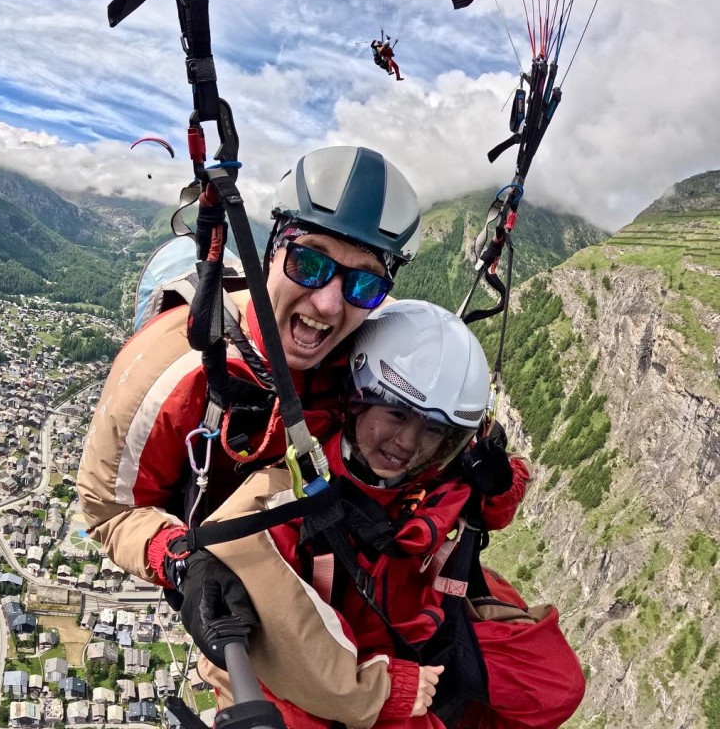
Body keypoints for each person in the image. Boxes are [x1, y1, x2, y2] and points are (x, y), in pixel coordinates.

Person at [186, 300, 586, 729]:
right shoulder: (289, 492)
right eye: (396, 415)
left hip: (419, 629)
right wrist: (385, 687)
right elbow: (282, 633)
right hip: (346, 660)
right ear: (357, 399)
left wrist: (501, 484)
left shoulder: (440, 474)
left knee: (555, 686)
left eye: (432, 430)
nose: (407, 443)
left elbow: (493, 502)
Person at [77, 144, 422, 588]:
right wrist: (176, 557)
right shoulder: (171, 364)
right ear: (272, 253)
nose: (329, 303)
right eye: (309, 262)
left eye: (365, 282)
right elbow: (109, 513)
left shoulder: (378, 351)